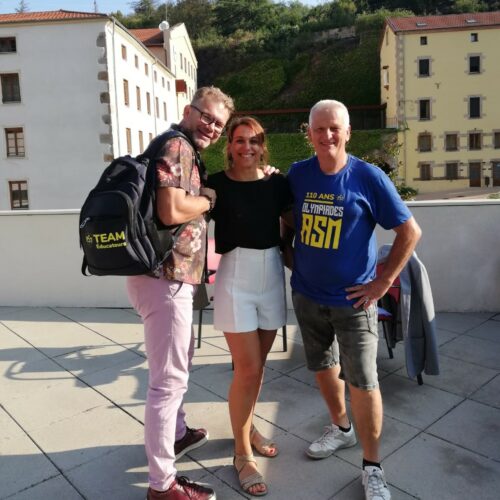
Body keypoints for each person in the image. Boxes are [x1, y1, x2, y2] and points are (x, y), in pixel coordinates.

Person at [284, 100, 422, 500]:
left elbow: (410, 232)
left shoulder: (368, 177)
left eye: (334, 128)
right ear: (308, 133)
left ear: (347, 132)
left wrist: (382, 283)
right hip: (307, 296)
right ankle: (341, 428)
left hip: (354, 303)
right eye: (319, 128)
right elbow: (288, 219)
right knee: (323, 367)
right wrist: (292, 258)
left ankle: (373, 467)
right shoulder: (298, 174)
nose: (327, 135)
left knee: (363, 381)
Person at [126, 86, 234, 500]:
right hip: (165, 277)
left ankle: (177, 432)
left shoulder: (176, 144)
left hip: (166, 277)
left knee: (178, 364)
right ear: (188, 111)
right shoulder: (177, 145)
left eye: (218, 124)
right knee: (167, 382)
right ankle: (162, 485)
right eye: (206, 117)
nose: (212, 127)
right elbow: (171, 210)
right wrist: (206, 199)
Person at [206, 117, 292, 497]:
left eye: (254, 141)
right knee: (248, 368)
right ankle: (242, 455)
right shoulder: (215, 184)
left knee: (257, 369)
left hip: (271, 274)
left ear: (263, 146)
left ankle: (248, 427)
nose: (247, 148)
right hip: (235, 277)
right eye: (240, 141)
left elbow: (294, 221)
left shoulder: (277, 182)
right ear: (229, 145)